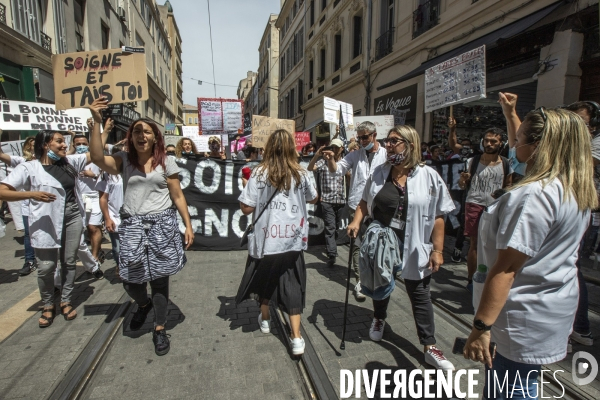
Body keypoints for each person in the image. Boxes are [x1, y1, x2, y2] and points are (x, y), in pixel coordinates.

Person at [463, 108, 597, 400]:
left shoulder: (534, 196)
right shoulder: (572, 190)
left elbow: (507, 268)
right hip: (545, 309)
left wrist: (480, 328)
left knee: (512, 389)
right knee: (518, 383)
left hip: (519, 315)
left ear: (537, 146)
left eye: (519, 138)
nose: (513, 144)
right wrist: (510, 112)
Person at [88, 97, 194, 356]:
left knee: (159, 280)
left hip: (162, 226)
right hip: (133, 227)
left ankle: (159, 328)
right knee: (129, 280)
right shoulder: (123, 160)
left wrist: (187, 225)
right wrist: (97, 123)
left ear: (155, 137)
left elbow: (178, 195)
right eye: (136, 131)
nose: (141, 135)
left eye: (147, 131)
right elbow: (96, 157)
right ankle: (143, 304)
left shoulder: (166, 162)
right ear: (131, 136)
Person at [347, 125, 455, 371]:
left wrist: (438, 250)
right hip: (382, 242)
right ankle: (378, 319)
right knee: (380, 283)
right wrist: (356, 221)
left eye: (395, 141)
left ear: (411, 145)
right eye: (388, 141)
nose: (389, 145)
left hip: (414, 244)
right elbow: (364, 201)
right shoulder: (379, 172)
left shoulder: (429, 176)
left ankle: (429, 347)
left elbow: (439, 216)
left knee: (420, 295)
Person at [236, 129, 318, 356]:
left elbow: (246, 208)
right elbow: (313, 198)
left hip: (266, 241)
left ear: (269, 147)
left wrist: (249, 190)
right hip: (292, 241)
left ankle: (265, 319)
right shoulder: (301, 172)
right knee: (292, 285)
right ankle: (297, 337)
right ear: (292, 147)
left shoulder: (259, 173)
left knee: (265, 280)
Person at [0, 130, 94, 327]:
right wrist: (31, 194)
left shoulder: (69, 163)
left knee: (69, 261)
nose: (63, 145)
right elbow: (3, 191)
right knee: (46, 267)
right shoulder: (29, 167)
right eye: (59, 141)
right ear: (45, 145)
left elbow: (95, 153)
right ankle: (48, 303)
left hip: (72, 215)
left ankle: (66, 300)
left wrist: (97, 123)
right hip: (46, 219)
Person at [327, 121, 387, 300]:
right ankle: (360, 280)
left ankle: (378, 276)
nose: (361, 140)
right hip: (357, 206)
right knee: (357, 244)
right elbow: (337, 171)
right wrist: (331, 160)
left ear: (374, 135)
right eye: (359, 137)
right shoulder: (355, 155)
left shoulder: (385, 154)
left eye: (365, 137)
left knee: (378, 243)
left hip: (379, 206)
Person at [455, 120, 512, 293]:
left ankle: (490, 276)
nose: (489, 144)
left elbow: (509, 186)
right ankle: (472, 279)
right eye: (486, 140)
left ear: (501, 143)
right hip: (474, 205)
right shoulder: (473, 161)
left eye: (493, 141)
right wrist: (463, 180)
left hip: (496, 208)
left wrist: (502, 193)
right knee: (475, 244)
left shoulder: (506, 163)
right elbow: (462, 185)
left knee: (494, 244)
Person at [0, 137, 37, 275]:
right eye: (33, 145)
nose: (36, 147)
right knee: (28, 234)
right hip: (28, 206)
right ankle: (30, 260)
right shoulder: (22, 162)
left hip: (47, 206)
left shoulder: (52, 161)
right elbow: (1, 155)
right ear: (28, 148)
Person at [307, 138, 345, 267]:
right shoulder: (323, 162)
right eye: (332, 147)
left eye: (336, 147)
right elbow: (310, 167)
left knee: (336, 228)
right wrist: (317, 155)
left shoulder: (344, 163)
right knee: (330, 227)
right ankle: (332, 254)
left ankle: (332, 248)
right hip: (327, 200)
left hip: (340, 200)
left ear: (342, 149)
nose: (334, 149)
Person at [72, 134, 105, 266]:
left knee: (93, 227)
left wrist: (94, 175)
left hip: (94, 197)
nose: (81, 146)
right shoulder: (70, 160)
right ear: (73, 145)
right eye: (78, 144)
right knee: (82, 229)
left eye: (84, 144)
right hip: (77, 198)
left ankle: (95, 256)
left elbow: (108, 178)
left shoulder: (96, 158)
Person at [97, 144, 124, 272]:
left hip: (133, 217)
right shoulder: (106, 174)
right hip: (115, 216)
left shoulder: (133, 171)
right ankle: (120, 267)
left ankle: (129, 271)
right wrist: (107, 218)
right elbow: (103, 198)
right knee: (117, 249)